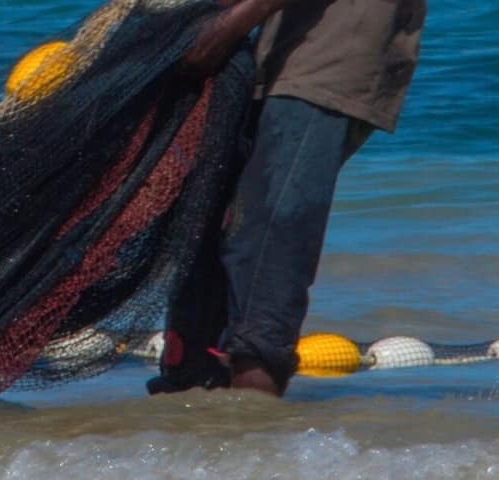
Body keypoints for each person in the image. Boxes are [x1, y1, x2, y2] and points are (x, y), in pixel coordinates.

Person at [149, 0, 426, 397]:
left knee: (269, 233)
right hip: (273, 45)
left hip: (325, 51)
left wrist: (227, 28)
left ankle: (254, 413)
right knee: (212, 228)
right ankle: (195, 398)